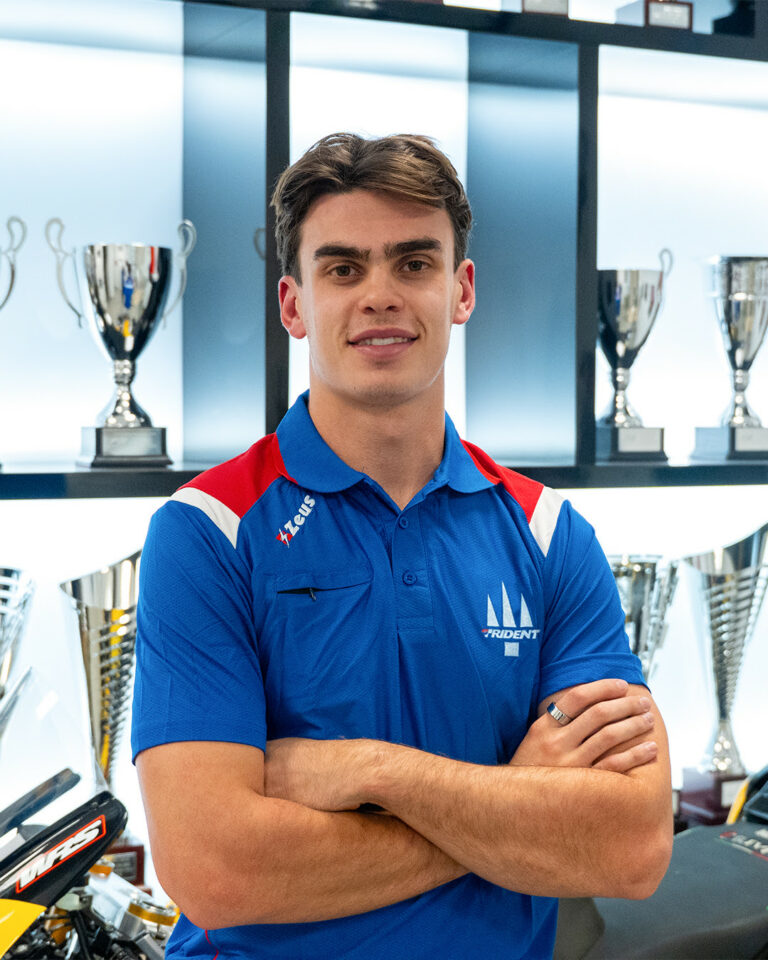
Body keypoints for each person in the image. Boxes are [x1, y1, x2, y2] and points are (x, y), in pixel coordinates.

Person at [131, 132, 673, 959]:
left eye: (414, 263)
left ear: (461, 290)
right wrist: (516, 805)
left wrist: (371, 772)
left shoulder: (549, 533)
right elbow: (215, 870)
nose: (379, 295)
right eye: (343, 269)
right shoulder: (208, 531)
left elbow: (630, 847)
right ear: (293, 306)